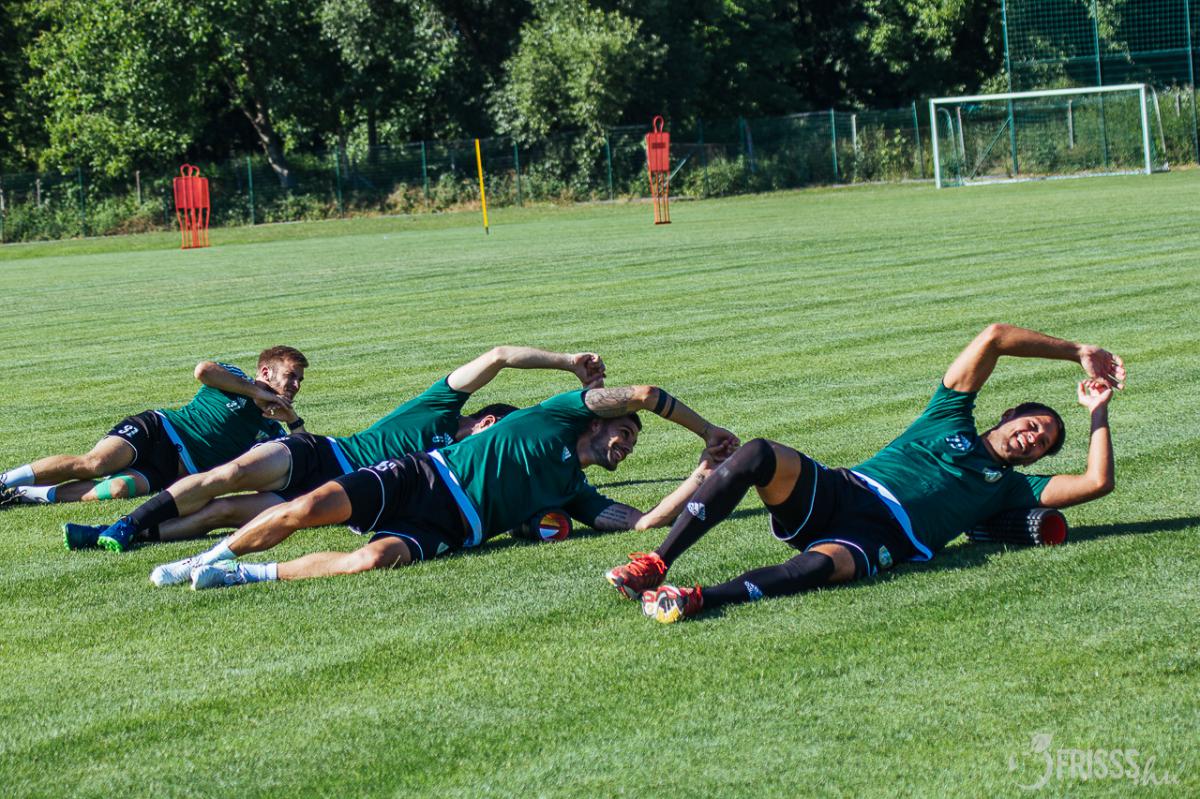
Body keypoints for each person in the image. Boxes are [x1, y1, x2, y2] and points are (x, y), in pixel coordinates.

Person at [606, 324, 1125, 623]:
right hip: (844, 489)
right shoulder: (948, 416)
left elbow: (1097, 482)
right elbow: (994, 337)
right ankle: (657, 561)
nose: (1033, 439)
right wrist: (1079, 352)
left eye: (1042, 445)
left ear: (1034, 462)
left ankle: (700, 598)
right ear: (1009, 415)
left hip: (884, 537)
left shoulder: (1012, 487)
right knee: (759, 453)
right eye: (1033, 426)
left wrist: (1097, 411)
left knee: (820, 568)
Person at [150, 384, 738, 590]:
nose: (626, 445)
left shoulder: (573, 490)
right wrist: (707, 430)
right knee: (306, 508)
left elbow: (642, 523)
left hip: (453, 528)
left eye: (631, 443)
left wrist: (700, 474)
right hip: (424, 477)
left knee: (369, 561)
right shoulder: (557, 415)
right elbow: (643, 394)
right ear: (597, 421)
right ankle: (204, 558)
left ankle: (241, 574)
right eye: (624, 434)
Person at [72, 346, 604, 553]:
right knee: (226, 476)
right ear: (487, 422)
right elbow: (499, 356)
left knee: (225, 512)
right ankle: (122, 524)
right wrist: (568, 364)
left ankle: (122, 536)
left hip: (336, 493)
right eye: (499, 435)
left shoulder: (468, 470)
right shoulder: (439, 408)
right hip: (323, 456)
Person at [0, 347, 307, 525]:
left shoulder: (271, 428)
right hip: (159, 429)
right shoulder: (235, 379)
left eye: (299, 380)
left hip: (172, 469)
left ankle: (26, 494)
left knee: (117, 489)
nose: (295, 385)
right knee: (96, 464)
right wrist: (255, 392)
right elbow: (203, 370)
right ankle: (5, 480)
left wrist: (293, 421)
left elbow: (307, 457)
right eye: (290, 376)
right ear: (265, 372)